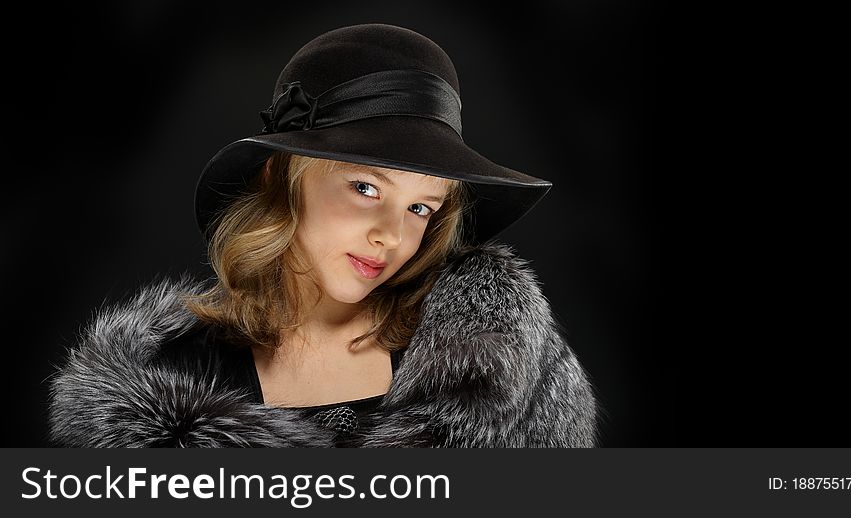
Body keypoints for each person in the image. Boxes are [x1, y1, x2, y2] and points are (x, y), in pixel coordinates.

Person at [48, 23, 598, 447]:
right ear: (281, 177)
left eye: (420, 208)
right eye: (365, 188)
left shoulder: (495, 359)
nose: (391, 236)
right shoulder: (169, 381)